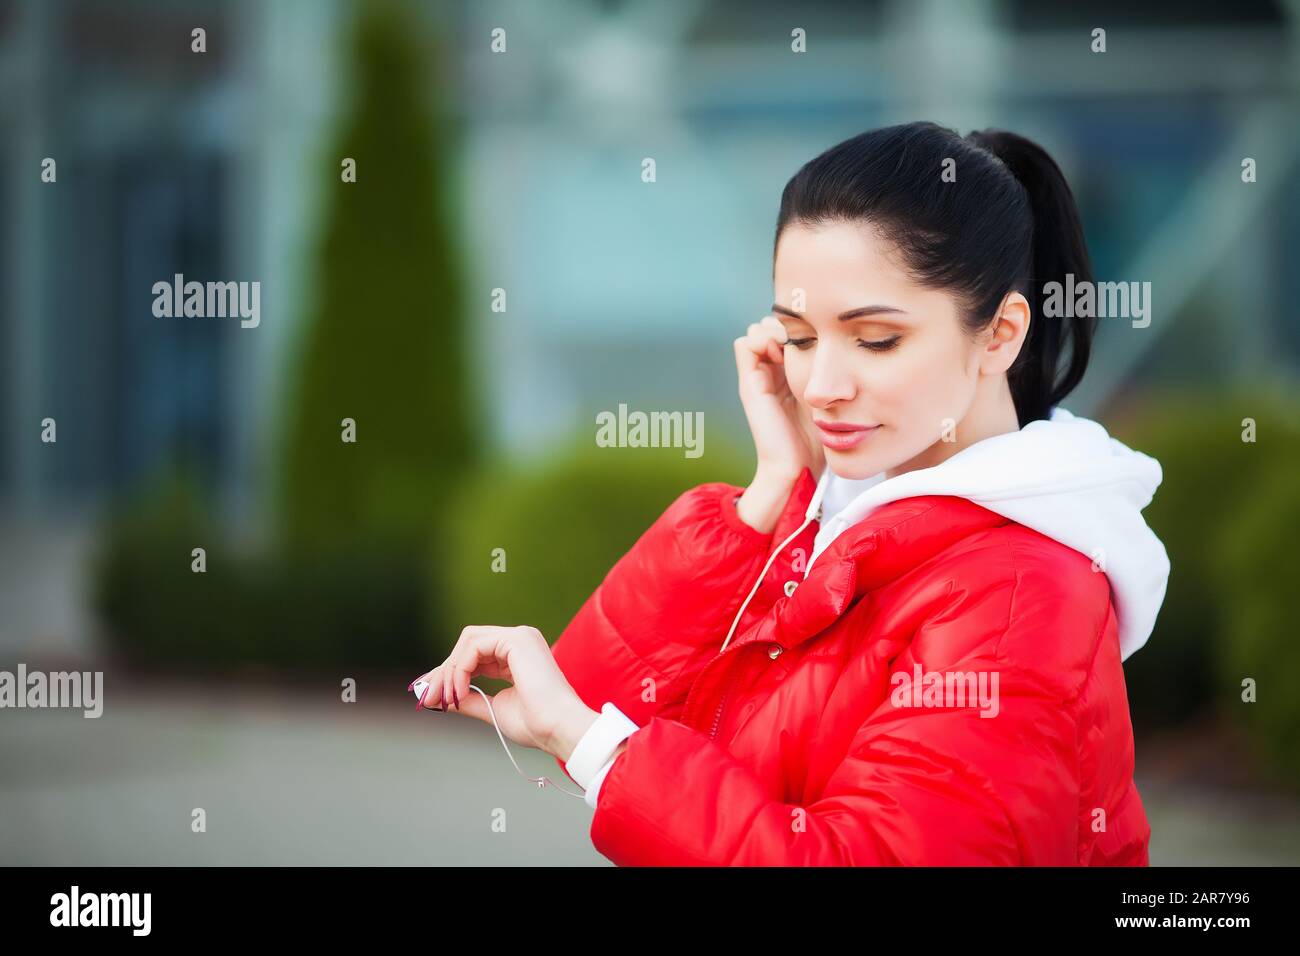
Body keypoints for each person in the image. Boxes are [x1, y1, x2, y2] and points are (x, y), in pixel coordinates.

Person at [410, 121, 1170, 866]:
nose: (823, 388)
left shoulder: (1016, 599)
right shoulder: (835, 518)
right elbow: (606, 703)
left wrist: (586, 741)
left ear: (1000, 334)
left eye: (876, 340)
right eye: (800, 338)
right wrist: (769, 493)